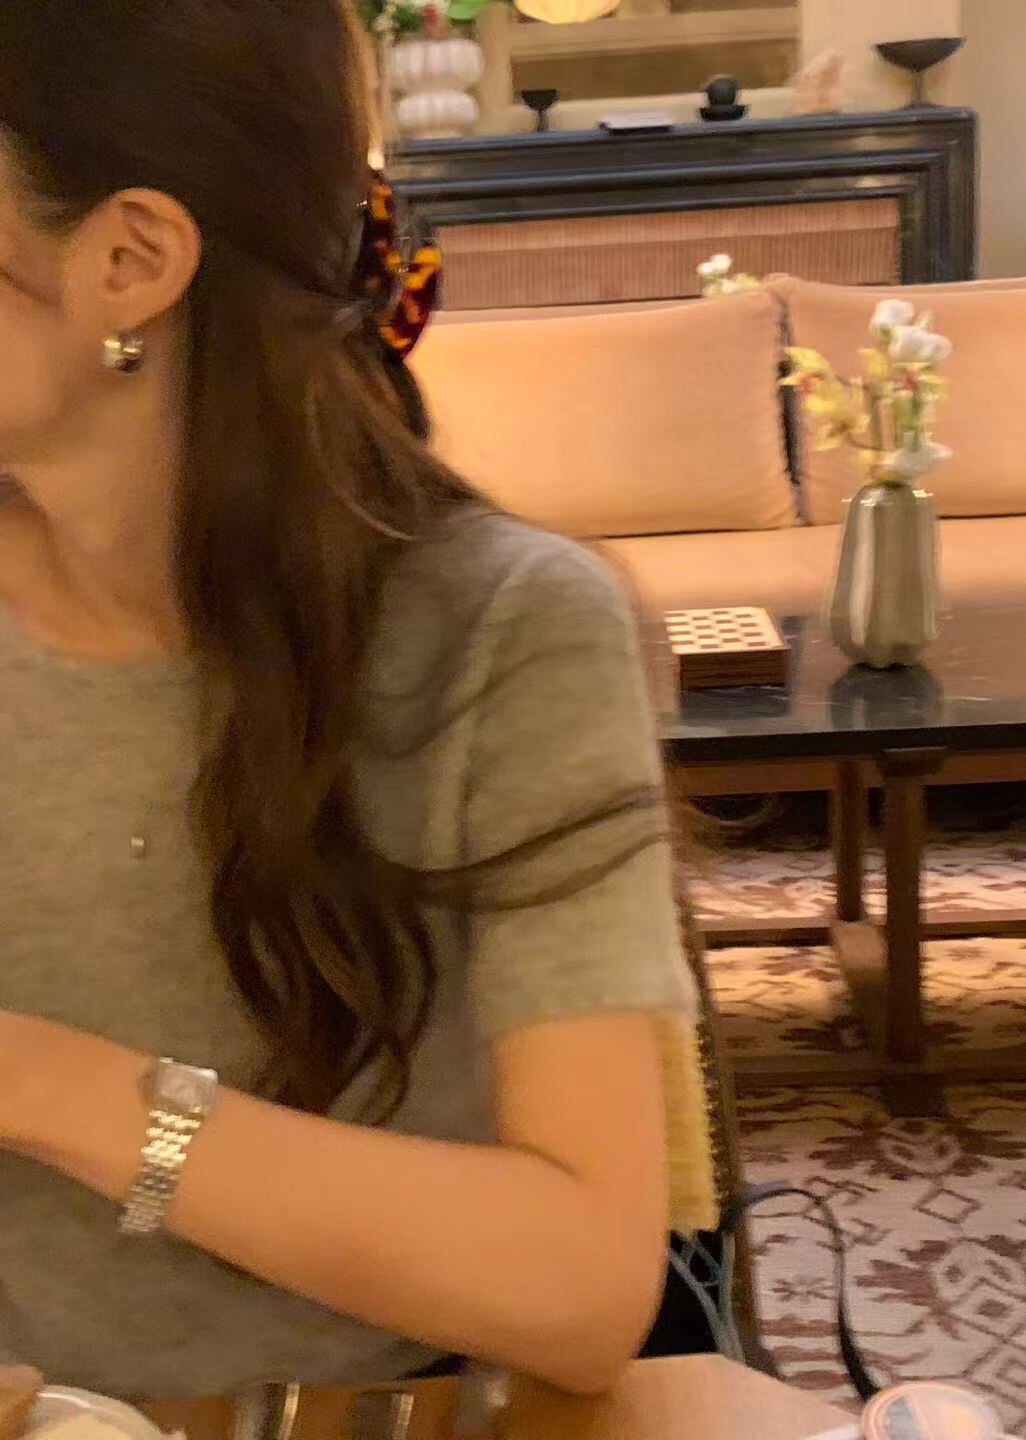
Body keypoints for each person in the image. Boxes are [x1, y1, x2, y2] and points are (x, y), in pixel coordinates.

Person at [0, 0, 695, 1408]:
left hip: (383, 1415)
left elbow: (583, 1288)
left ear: (130, 260)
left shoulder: (498, 632)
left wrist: (41, 1086)